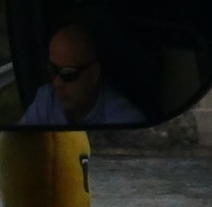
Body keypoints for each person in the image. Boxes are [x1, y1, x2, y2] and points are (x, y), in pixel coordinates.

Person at [16, 23, 146, 129]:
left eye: (67, 73)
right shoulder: (46, 100)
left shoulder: (126, 121)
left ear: (94, 73)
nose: (56, 84)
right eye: (53, 71)